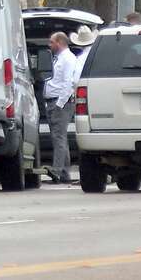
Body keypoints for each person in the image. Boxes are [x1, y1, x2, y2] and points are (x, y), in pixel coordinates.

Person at [44, 31, 79, 184]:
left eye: (52, 42)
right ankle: (64, 172)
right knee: (59, 137)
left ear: (59, 42)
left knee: (59, 136)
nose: (49, 45)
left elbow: (68, 83)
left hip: (61, 102)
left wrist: (60, 103)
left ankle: (57, 170)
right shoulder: (58, 58)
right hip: (53, 101)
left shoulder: (68, 59)